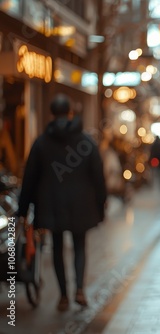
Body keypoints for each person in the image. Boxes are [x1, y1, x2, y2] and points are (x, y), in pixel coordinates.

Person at [17, 94, 107, 311]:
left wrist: (23, 209)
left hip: (51, 205)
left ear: (51, 114)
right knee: (79, 247)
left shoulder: (41, 143)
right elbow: (98, 177)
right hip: (82, 205)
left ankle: (63, 295)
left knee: (57, 247)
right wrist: (101, 204)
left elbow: (30, 179)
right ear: (70, 113)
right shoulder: (86, 142)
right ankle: (80, 290)